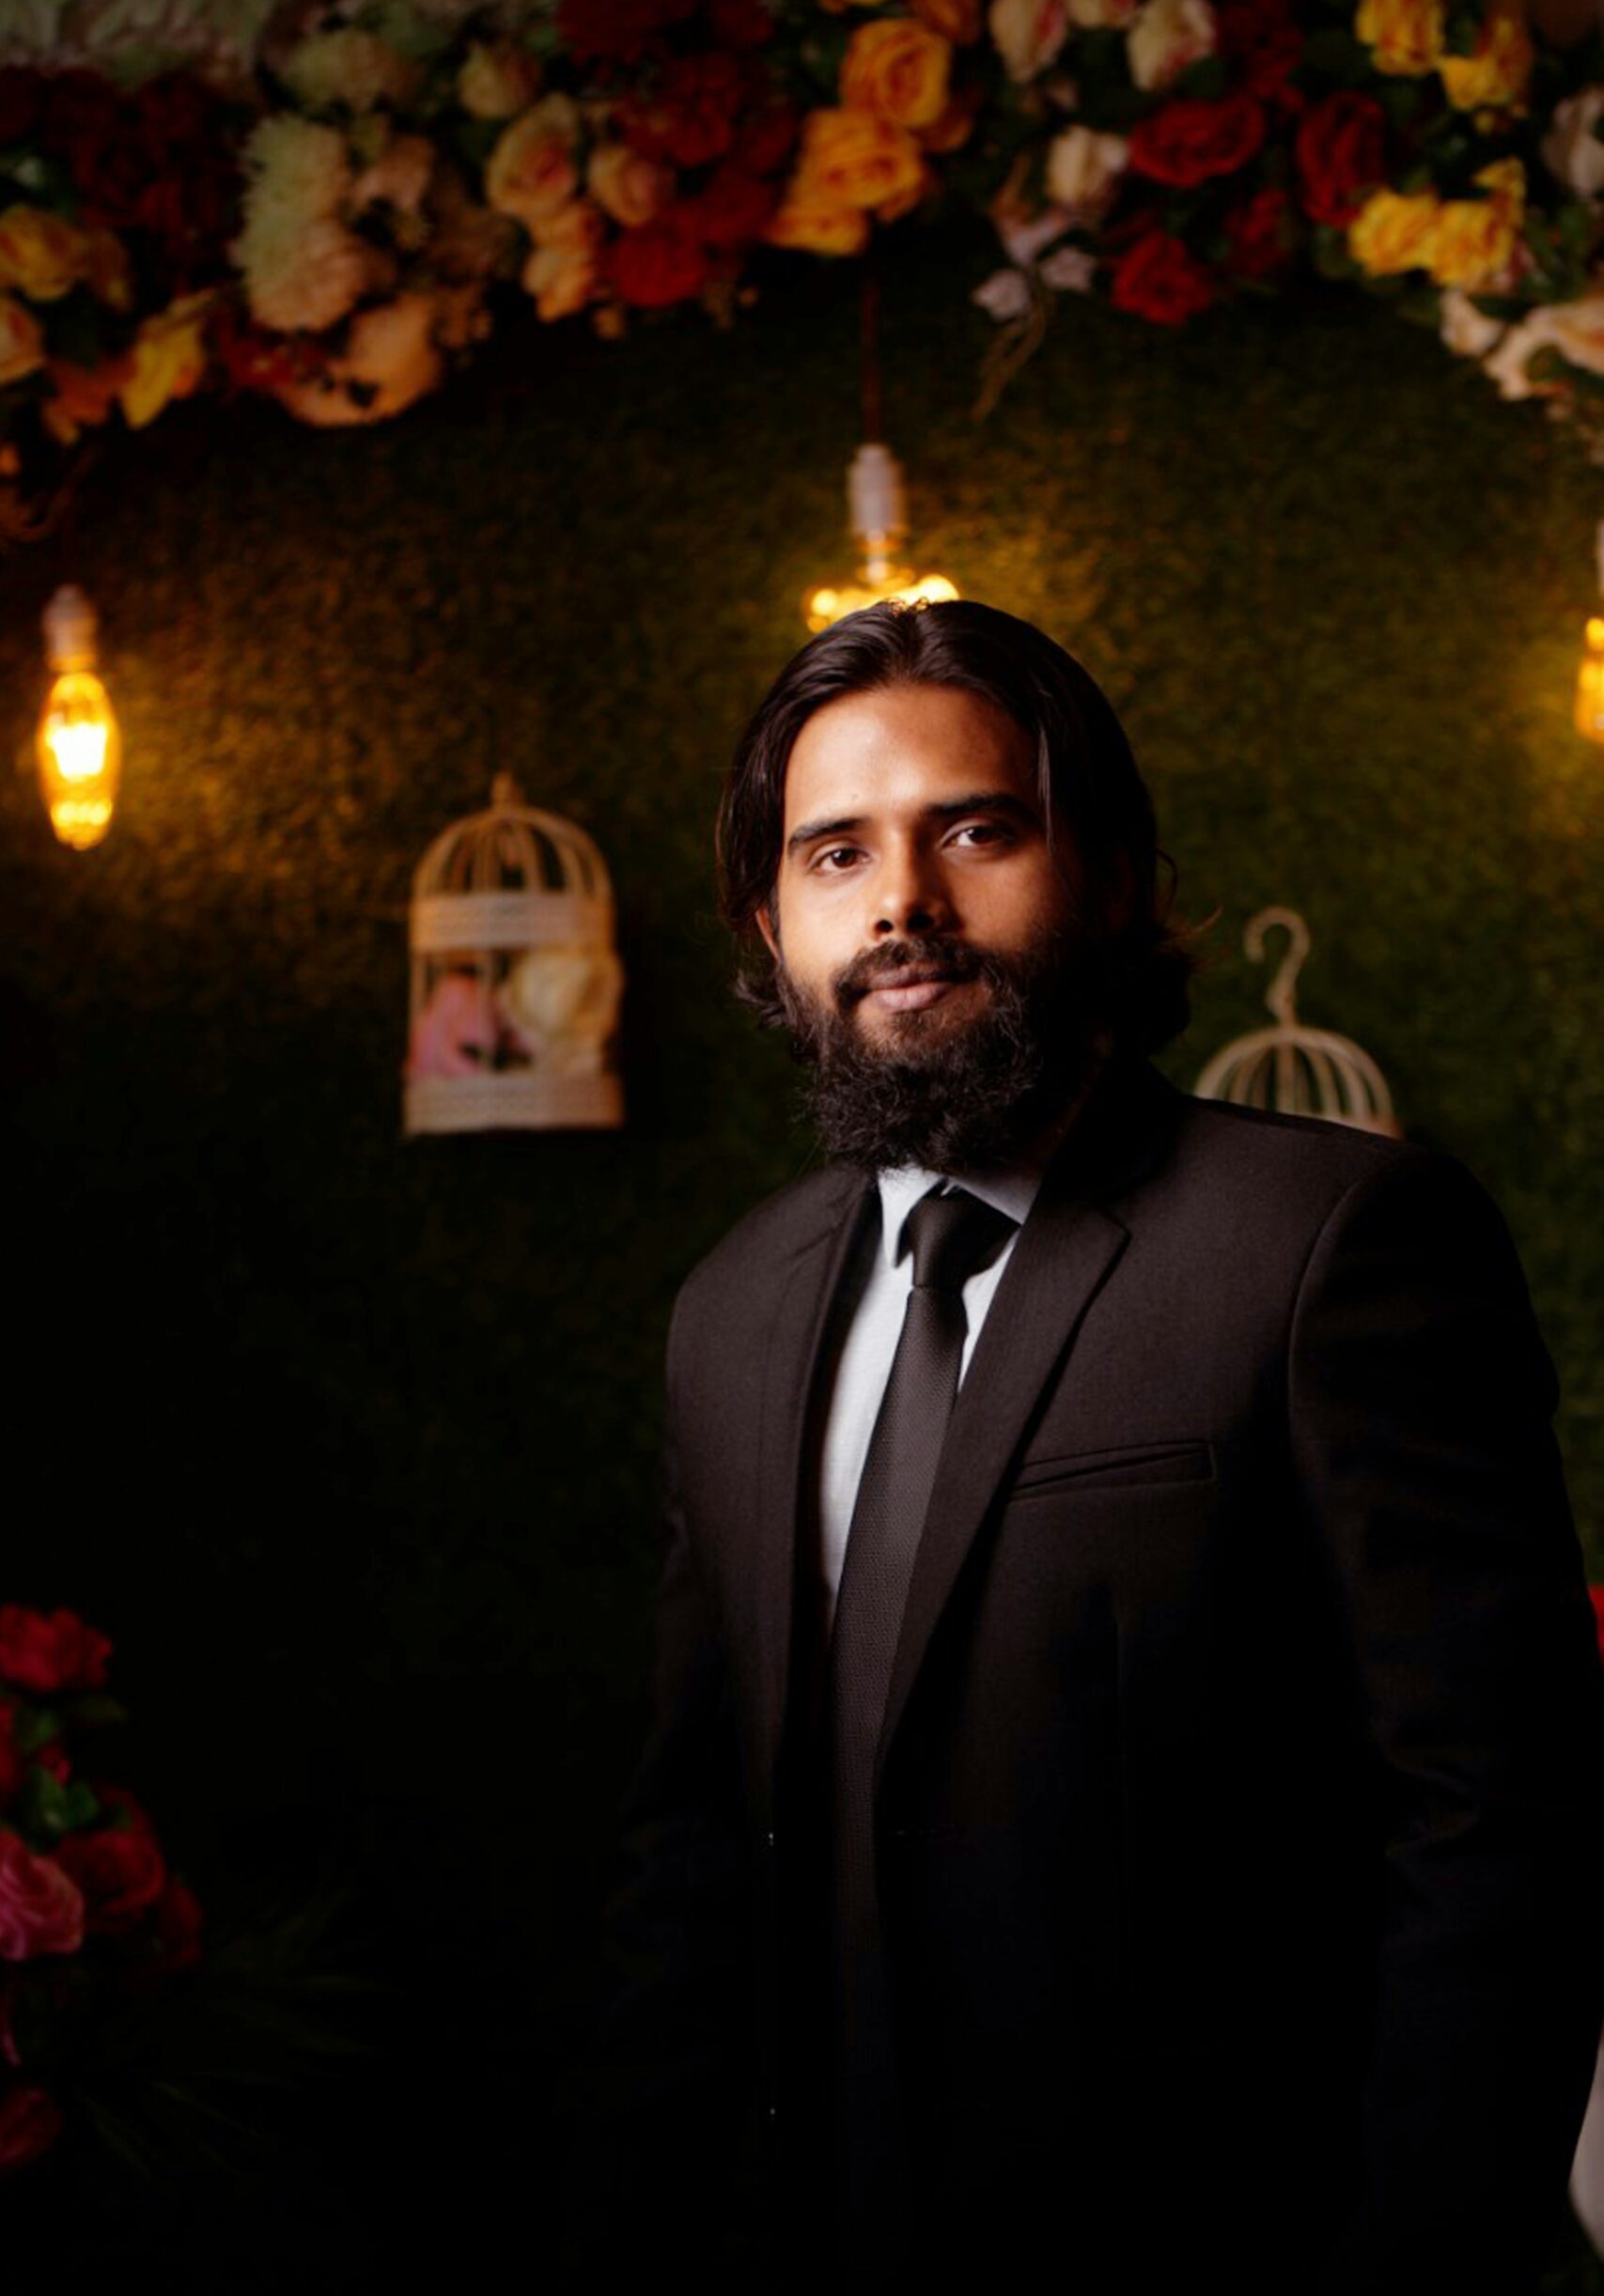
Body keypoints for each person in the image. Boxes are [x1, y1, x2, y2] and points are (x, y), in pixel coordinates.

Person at [577, 597, 1604, 2294]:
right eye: (834, 856)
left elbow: (1500, 1827)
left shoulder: (1333, 1243)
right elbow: (693, 1851)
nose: (901, 900)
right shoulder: (729, 1312)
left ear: (1113, 874)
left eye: (975, 830)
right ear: (770, 928)